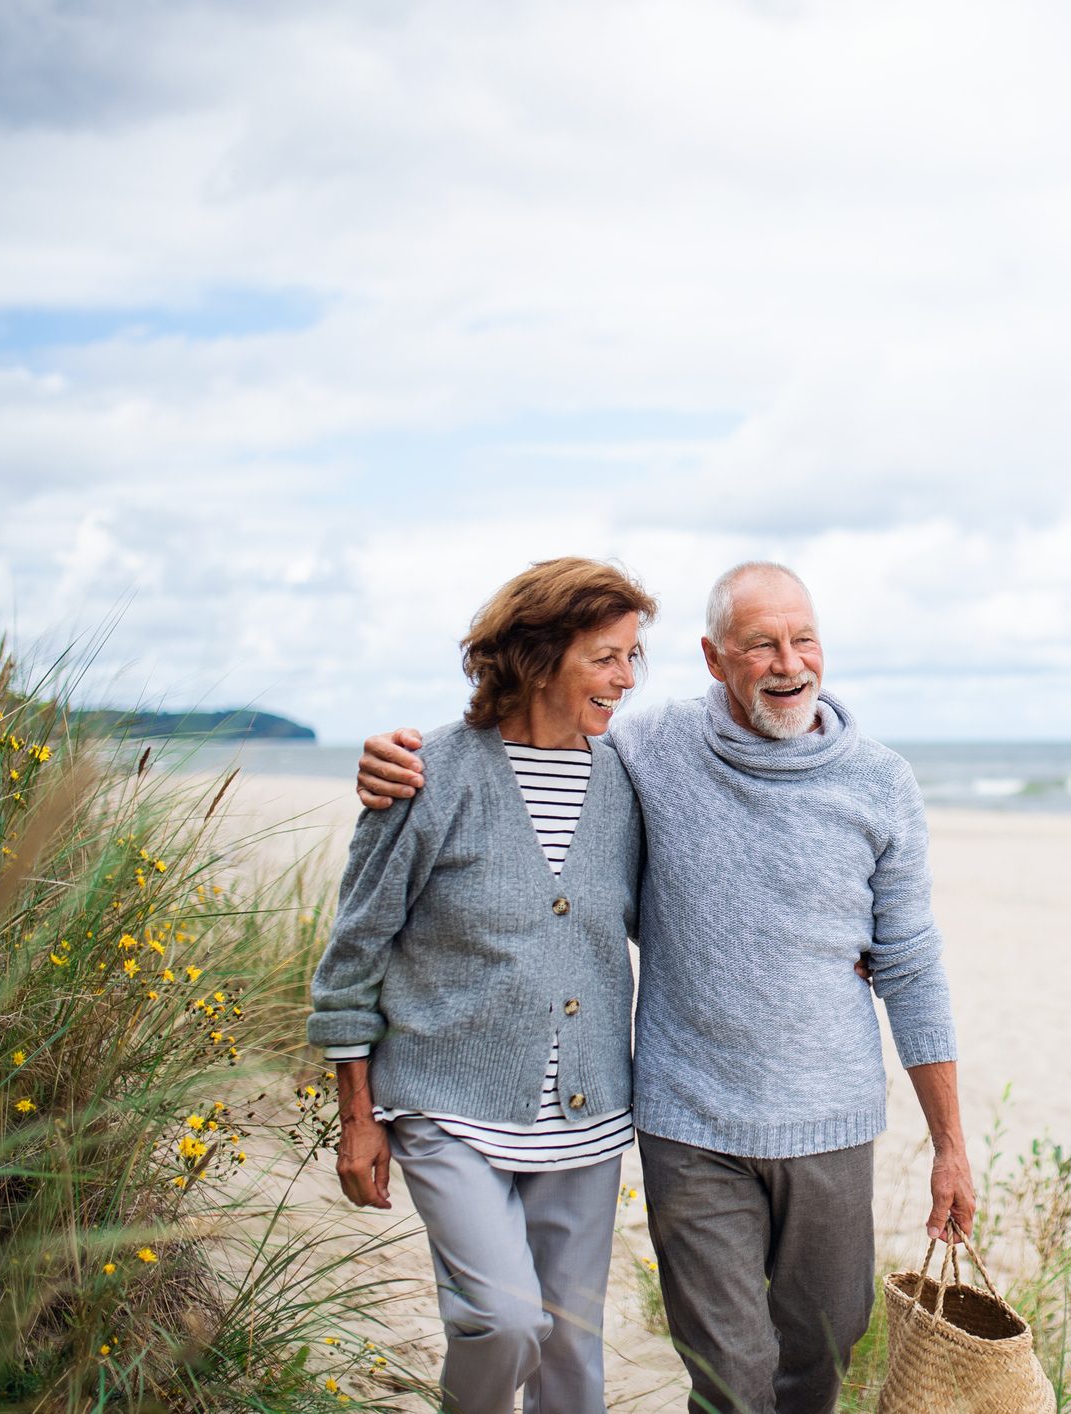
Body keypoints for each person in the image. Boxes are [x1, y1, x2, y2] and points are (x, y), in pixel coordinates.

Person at [354, 561, 972, 1414]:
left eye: (803, 639)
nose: (789, 663)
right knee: (726, 1374)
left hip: (824, 1115)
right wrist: (392, 760)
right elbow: (526, 753)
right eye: (761, 644)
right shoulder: (645, 750)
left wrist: (949, 1142)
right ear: (716, 660)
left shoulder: (879, 782)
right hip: (686, 1120)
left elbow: (908, 959)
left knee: (824, 1345)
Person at [309, 557, 654, 1414]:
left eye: (632, 658)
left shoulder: (627, 780)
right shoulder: (429, 776)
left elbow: (678, 907)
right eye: (606, 657)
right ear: (537, 655)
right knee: (503, 1322)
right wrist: (357, 1118)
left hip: (585, 1113)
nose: (625, 679)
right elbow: (354, 955)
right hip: (445, 1105)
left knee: (573, 1353)